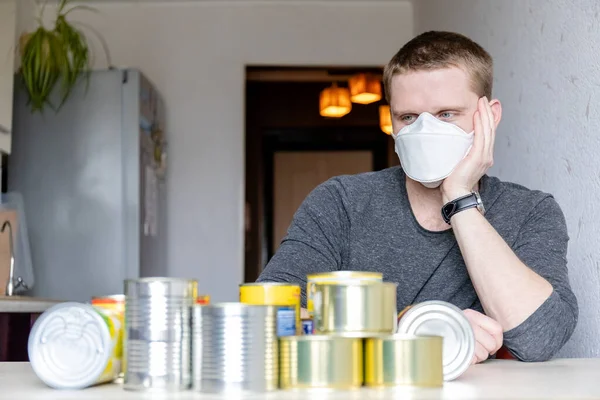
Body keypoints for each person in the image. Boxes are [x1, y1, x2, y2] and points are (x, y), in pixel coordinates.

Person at [256, 31, 578, 364]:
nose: (425, 132)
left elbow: (540, 338)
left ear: (489, 117)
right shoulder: (341, 203)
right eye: (408, 117)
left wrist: (459, 198)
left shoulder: (530, 212)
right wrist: (405, 327)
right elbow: (269, 316)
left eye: (446, 114)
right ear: (392, 122)